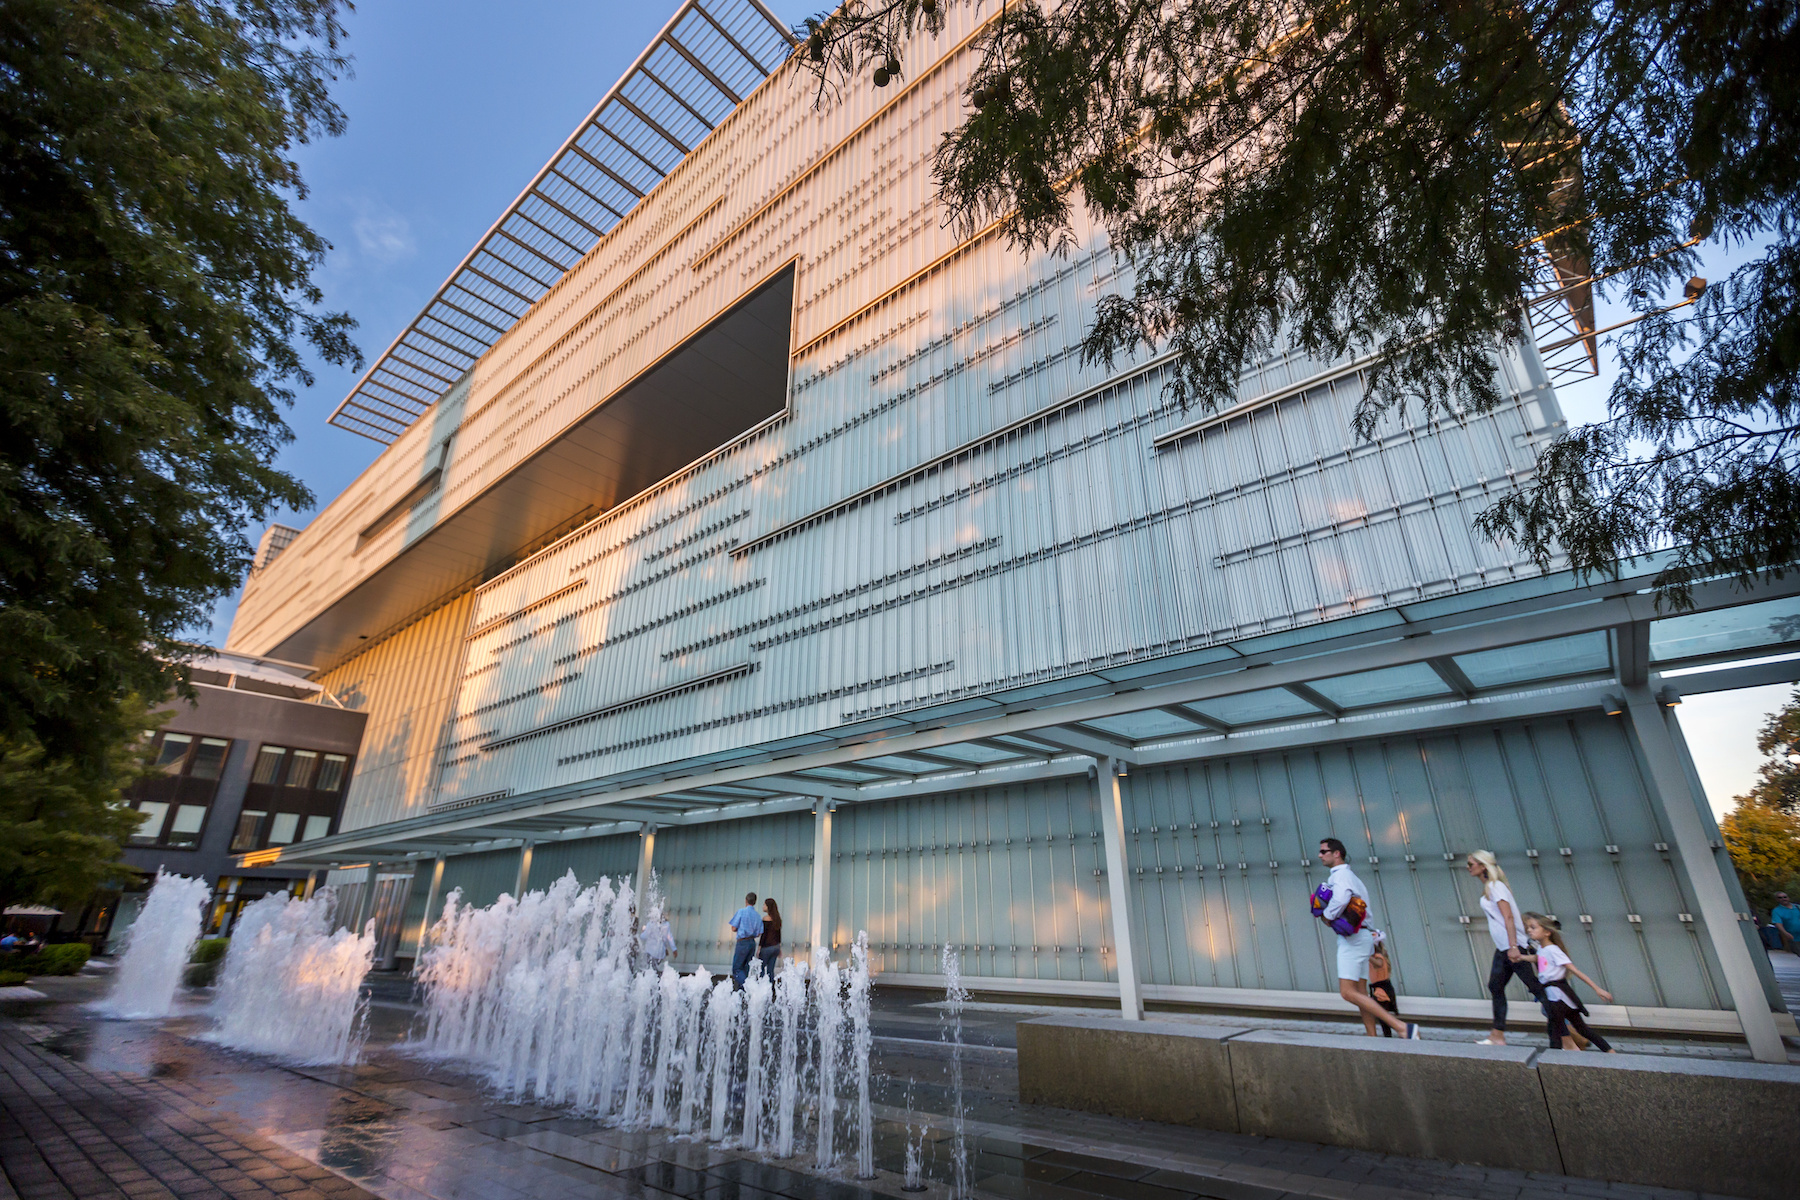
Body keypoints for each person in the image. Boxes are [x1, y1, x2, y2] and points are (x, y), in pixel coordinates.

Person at [1312, 837, 1420, 1039]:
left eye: (1323, 851)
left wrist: (1326, 917)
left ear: (1337, 854)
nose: (1319, 855)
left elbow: (1342, 897)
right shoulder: (1351, 876)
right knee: (1360, 993)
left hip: (1353, 938)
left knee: (1347, 992)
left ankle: (1403, 1028)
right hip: (1363, 936)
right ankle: (1372, 1038)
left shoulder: (1340, 875)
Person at [1465, 849, 1546, 1046]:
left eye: (1470, 864)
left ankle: (1569, 1034)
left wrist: (1513, 947)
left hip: (1512, 947)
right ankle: (1497, 1035)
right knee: (1496, 986)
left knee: (1536, 988)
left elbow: (1508, 916)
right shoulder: (1490, 887)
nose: (1468, 868)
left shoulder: (1495, 886)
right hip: (1505, 947)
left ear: (1482, 866)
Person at [1520, 913, 1616, 1053]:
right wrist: (1522, 957)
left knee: (1555, 1029)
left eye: (1533, 927)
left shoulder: (1554, 950)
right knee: (1579, 1028)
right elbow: (1538, 958)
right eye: (1528, 928)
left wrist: (1597, 989)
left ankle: (1555, 1059)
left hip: (1557, 996)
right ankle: (1610, 1052)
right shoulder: (1543, 949)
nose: (1529, 930)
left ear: (1547, 932)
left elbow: (1575, 970)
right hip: (1557, 995)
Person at [728, 891, 763, 988]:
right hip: (752, 942)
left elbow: (733, 928)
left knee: (737, 969)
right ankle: (742, 993)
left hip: (742, 942)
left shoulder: (741, 912)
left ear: (746, 900)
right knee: (746, 968)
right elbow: (759, 933)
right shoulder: (757, 915)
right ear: (755, 902)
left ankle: (749, 987)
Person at [1367, 940, 1400, 1037]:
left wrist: (1367, 956)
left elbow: (1379, 963)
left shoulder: (1378, 957)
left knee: (1383, 1016)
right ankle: (1389, 1035)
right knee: (1383, 1016)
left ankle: (1396, 1031)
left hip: (1382, 990)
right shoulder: (1377, 957)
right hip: (1381, 989)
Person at [757, 897, 782, 980]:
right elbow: (778, 935)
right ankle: (770, 988)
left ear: (768, 907)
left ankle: (761, 987)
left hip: (766, 947)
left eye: (764, 904)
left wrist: (759, 948)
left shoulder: (765, 919)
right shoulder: (777, 919)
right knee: (770, 970)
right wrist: (779, 948)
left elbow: (764, 935)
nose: (763, 906)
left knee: (761, 968)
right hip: (776, 947)